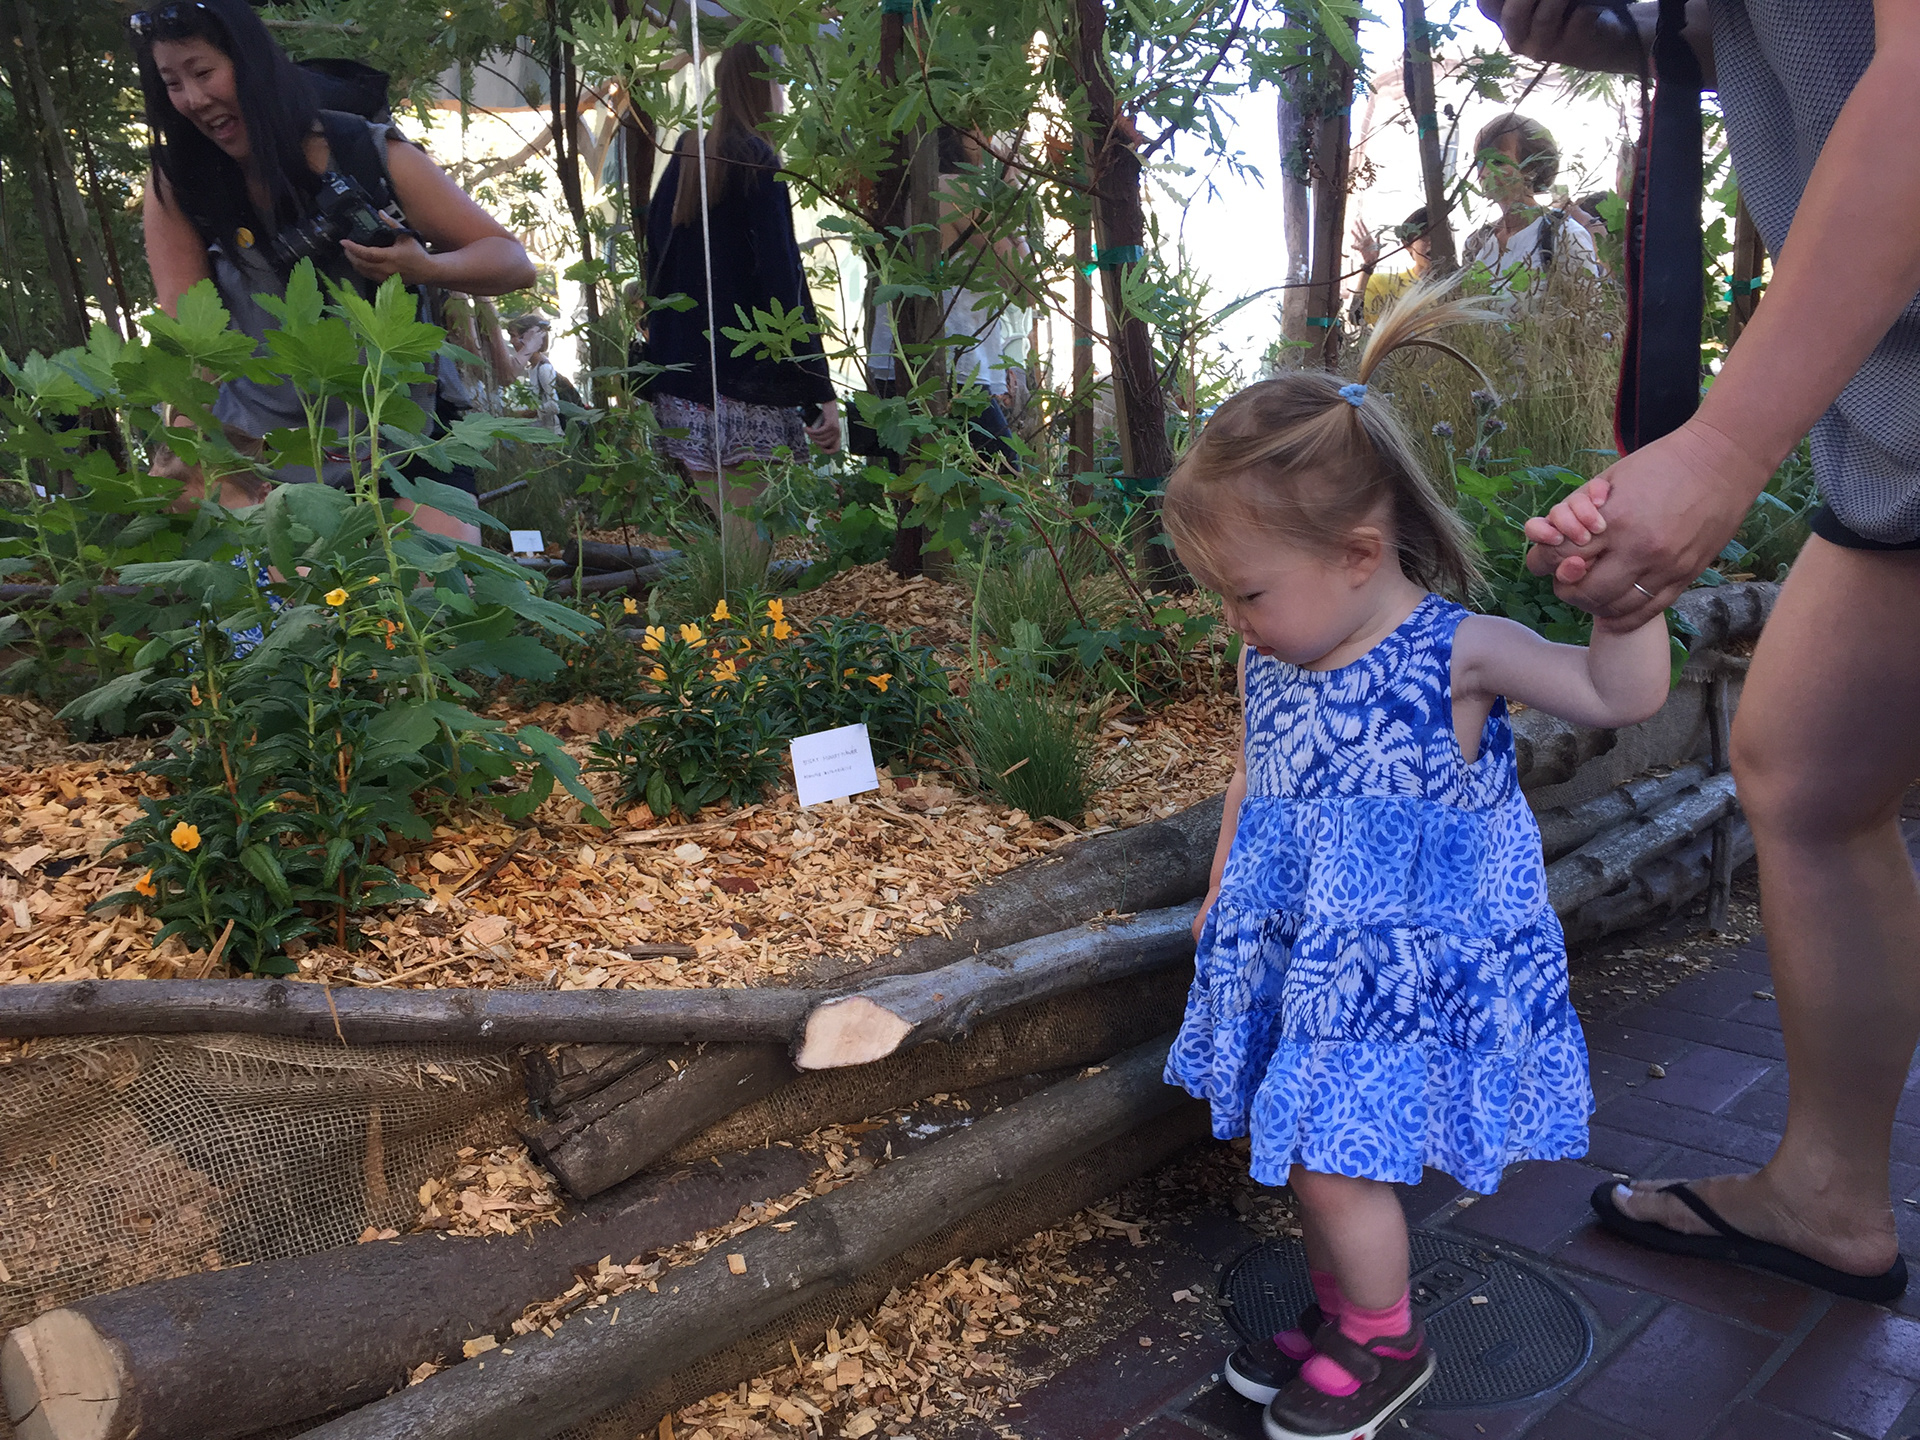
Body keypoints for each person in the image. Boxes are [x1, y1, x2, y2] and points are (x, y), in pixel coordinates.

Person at [1164, 282, 1670, 1440]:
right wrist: (1223, 888)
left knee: (1332, 1160)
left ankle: (1387, 1339)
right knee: (1305, 1148)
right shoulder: (1271, 661)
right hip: (1306, 959)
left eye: (1246, 592)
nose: (1233, 619)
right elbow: (1253, 777)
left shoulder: (1457, 654)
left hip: (1403, 973)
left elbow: (1616, 696)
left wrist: (1624, 608)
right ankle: (1347, 1310)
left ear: (1356, 553)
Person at [1488, 0, 1920, 1304]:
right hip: (1898, 422)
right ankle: (1826, 1196)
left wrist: (1726, 447)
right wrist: (1635, 36)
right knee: (1808, 773)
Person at [133, 0, 535, 544]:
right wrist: (185, 446)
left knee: (435, 589)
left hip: (404, 429)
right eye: (172, 84)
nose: (194, 98)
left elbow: (512, 262)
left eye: (203, 72)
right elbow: (192, 339)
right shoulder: (178, 185)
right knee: (306, 594)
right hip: (267, 453)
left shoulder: (364, 151)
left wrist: (425, 267)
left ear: (252, 64)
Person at [638, 41, 840, 548]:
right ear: (765, 86)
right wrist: (818, 388)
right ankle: (740, 604)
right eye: (780, 82)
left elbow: (655, 259)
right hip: (746, 379)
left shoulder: (687, 154)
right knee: (749, 540)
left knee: (729, 535)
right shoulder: (757, 162)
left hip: (682, 379)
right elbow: (783, 282)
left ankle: (718, 599)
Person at [1461, 113, 1600, 283]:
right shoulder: (1476, 244)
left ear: (1531, 167)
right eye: (1478, 162)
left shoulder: (1564, 236)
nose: (1484, 172)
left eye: (1497, 161)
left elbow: (1585, 300)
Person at [1350, 208, 1433, 324]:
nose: (1433, 242)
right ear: (1407, 245)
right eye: (1424, 236)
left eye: (1440, 235)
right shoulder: (1384, 284)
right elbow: (1356, 318)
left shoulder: (1458, 284)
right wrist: (1368, 267)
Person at [506, 313, 565, 434]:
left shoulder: (544, 369)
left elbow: (555, 406)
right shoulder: (532, 368)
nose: (511, 341)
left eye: (513, 336)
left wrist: (528, 413)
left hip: (554, 434)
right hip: (542, 431)